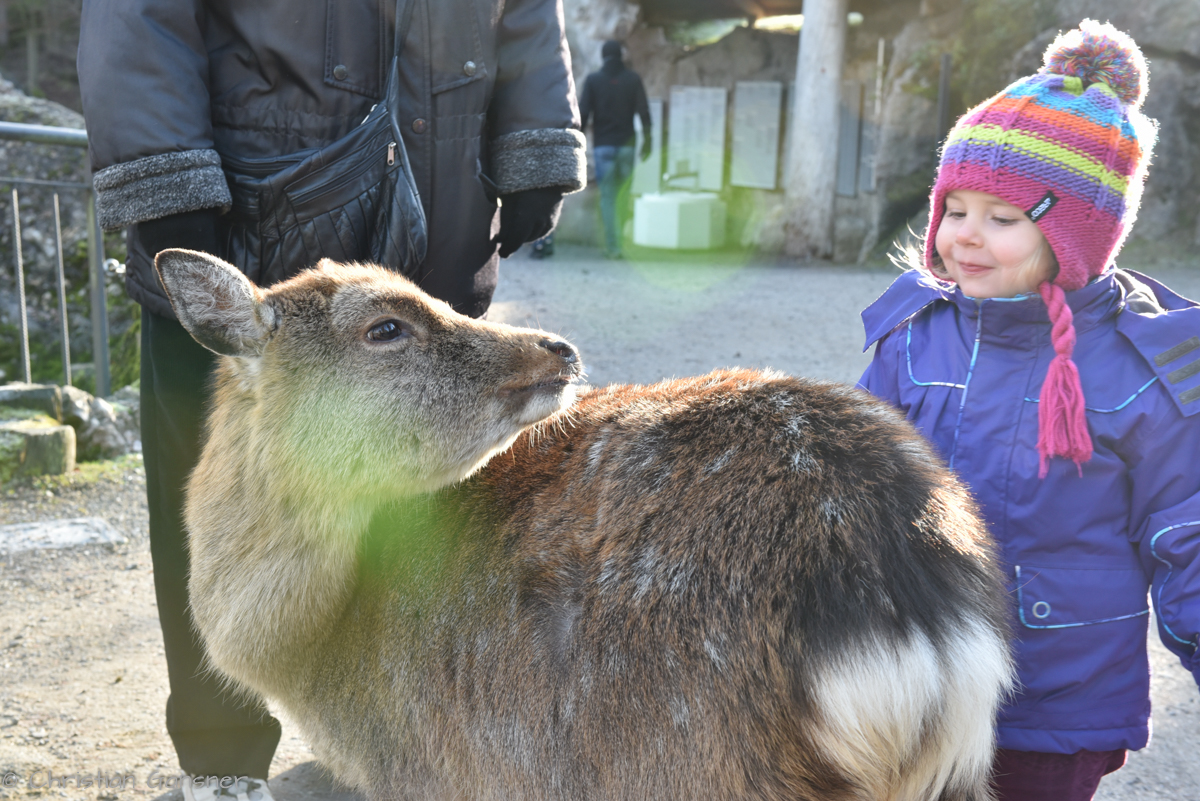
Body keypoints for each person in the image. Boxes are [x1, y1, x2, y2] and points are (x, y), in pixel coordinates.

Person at [76, 1, 585, 799]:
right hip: (237, 217)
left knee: (434, 516)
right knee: (225, 500)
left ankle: (390, 751)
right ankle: (223, 760)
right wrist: (162, 169)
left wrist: (537, 139)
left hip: (431, 194)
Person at [857, 21, 1199, 801]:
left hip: (1056, 699)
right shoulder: (912, 340)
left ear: (1075, 235)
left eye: (1003, 219)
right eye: (955, 210)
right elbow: (853, 488)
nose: (966, 237)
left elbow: (1188, 531)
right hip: (915, 682)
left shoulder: (1140, 372)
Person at [579, 40, 652, 259]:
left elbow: (583, 114)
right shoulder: (632, 79)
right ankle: (622, 243)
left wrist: (575, 146)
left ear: (603, 56)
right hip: (627, 147)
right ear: (620, 55)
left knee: (608, 197)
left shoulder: (593, 80)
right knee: (624, 196)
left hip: (603, 147)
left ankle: (613, 247)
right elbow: (644, 112)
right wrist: (648, 141)